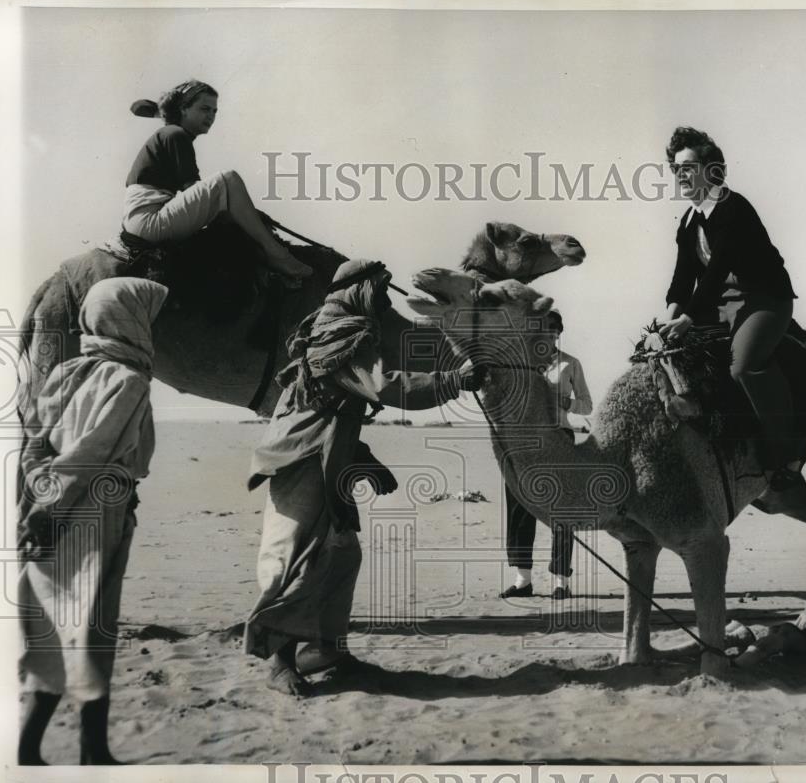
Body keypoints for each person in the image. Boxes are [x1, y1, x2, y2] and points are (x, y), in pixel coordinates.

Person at [243, 259, 485, 695]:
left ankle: (326, 651)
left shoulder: (336, 328)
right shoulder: (342, 334)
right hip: (301, 459)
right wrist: (453, 381)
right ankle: (279, 663)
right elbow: (383, 386)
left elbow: (335, 405)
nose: (383, 298)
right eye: (379, 288)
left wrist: (363, 458)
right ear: (357, 289)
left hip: (329, 454)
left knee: (341, 553)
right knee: (293, 556)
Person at [17, 277, 168, 765]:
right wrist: (52, 509)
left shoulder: (67, 371)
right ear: (131, 322)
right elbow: (93, 453)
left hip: (51, 506)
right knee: (92, 626)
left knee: (54, 626)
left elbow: (35, 441)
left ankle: (34, 749)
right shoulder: (129, 381)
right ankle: (91, 750)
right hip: (94, 512)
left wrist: (38, 497)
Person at [658, 126, 801, 490]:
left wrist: (688, 317)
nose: (681, 176)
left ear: (711, 169)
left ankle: (789, 453)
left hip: (764, 301)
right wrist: (668, 318)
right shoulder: (689, 221)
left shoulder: (732, 207)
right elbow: (682, 276)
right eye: (676, 169)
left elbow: (718, 267)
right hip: (720, 306)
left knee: (741, 369)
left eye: (688, 166)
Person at [123, 79, 311, 280]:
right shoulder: (176, 134)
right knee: (227, 179)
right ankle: (278, 256)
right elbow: (193, 189)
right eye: (204, 109)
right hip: (150, 220)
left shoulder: (170, 134)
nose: (211, 116)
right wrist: (244, 212)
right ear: (184, 109)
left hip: (144, 219)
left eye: (214, 111)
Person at [500, 309, 593, 601]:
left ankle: (561, 581)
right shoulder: (519, 364)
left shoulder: (571, 364)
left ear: (558, 333)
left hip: (559, 439)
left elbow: (587, 405)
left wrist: (565, 402)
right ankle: (522, 580)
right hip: (523, 441)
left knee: (562, 510)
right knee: (519, 508)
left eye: (554, 330)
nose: (548, 335)